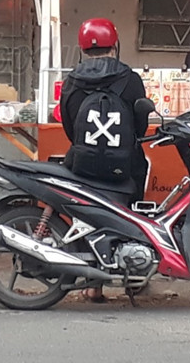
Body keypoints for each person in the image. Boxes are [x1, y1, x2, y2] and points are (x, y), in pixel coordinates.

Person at [59, 18, 148, 303]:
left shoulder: (71, 81)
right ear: (115, 45)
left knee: (85, 213)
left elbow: (70, 127)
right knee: (133, 202)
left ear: (83, 48)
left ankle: (92, 284)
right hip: (125, 165)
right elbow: (141, 126)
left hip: (83, 163)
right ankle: (134, 275)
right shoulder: (130, 79)